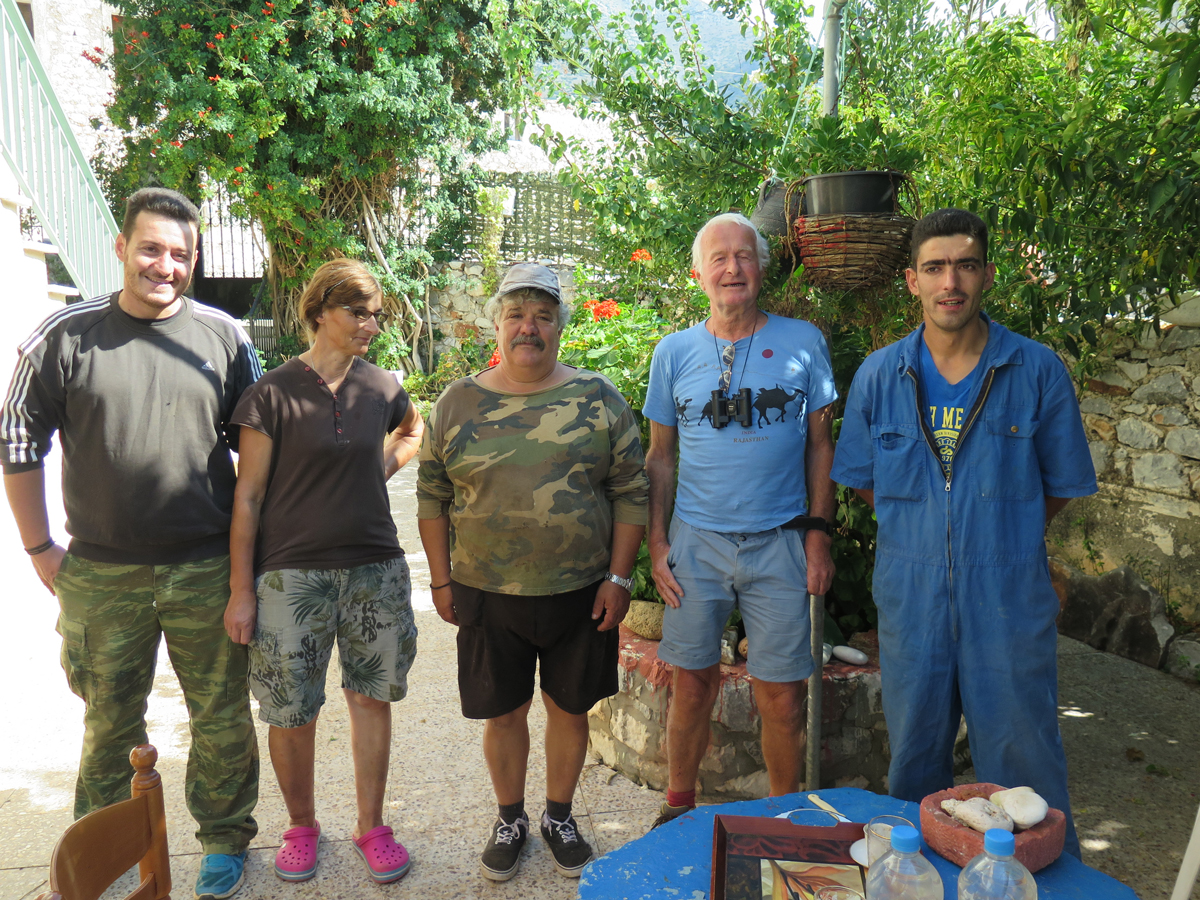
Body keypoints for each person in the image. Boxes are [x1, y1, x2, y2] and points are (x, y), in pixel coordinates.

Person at [2, 187, 261, 900]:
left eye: (180, 254)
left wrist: (251, 568)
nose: (165, 266)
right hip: (102, 572)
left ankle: (225, 839)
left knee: (220, 714)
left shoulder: (226, 338)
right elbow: (17, 438)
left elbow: (260, 452)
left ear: (195, 259)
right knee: (110, 718)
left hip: (205, 565)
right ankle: (107, 850)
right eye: (150, 249)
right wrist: (39, 548)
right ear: (121, 248)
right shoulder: (66, 334)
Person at [831, 208, 1097, 857]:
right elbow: (866, 482)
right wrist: (927, 525)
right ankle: (915, 882)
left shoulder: (1036, 371)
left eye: (965, 265)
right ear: (912, 281)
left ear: (987, 276)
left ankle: (1036, 881)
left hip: (1007, 597)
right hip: (910, 597)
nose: (950, 281)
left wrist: (995, 535)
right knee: (914, 765)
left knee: (1024, 766)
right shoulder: (878, 377)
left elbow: (1060, 486)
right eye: (935, 267)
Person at [416, 263, 648, 882]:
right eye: (517, 315)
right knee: (503, 712)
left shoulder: (598, 398)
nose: (529, 327)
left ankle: (560, 816)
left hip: (580, 591)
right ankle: (510, 817)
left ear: (559, 328)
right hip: (486, 592)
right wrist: (440, 580)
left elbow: (632, 489)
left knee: (571, 711)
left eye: (543, 316)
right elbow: (431, 494)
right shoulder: (457, 402)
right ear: (497, 324)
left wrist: (620, 579)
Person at [643, 212, 838, 827]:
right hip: (695, 544)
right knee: (692, 683)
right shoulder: (673, 352)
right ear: (698, 273)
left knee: (782, 696)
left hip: (781, 541)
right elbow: (659, 456)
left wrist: (819, 537)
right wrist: (656, 544)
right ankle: (679, 806)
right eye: (719, 258)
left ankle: (784, 818)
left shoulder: (804, 341)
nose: (733, 268)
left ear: (761, 267)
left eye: (745, 256)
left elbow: (821, 447)